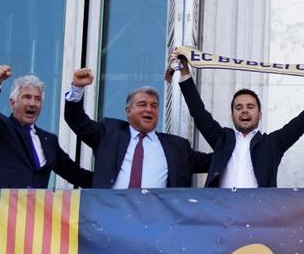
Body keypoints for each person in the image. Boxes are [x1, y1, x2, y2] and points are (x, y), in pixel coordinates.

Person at [167, 51, 304, 188]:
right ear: (232, 115)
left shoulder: (272, 144)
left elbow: (303, 120)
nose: (245, 111)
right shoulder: (222, 140)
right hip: (220, 217)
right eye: (239, 108)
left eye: (250, 107)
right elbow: (199, 113)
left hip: (257, 218)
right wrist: (184, 72)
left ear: (260, 114)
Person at [64, 68, 211, 189]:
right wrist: (77, 88)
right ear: (128, 111)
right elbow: (77, 120)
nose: (149, 110)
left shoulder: (177, 147)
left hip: (157, 220)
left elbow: (217, 160)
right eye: (142, 105)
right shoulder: (109, 133)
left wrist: (232, 138)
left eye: (154, 106)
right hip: (110, 216)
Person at [0, 64, 91, 189]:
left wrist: (112, 181)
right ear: (13, 103)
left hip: (35, 207)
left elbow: (76, 174)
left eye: (38, 99)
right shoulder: (0, 127)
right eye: (27, 97)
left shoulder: (49, 141)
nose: (32, 103)